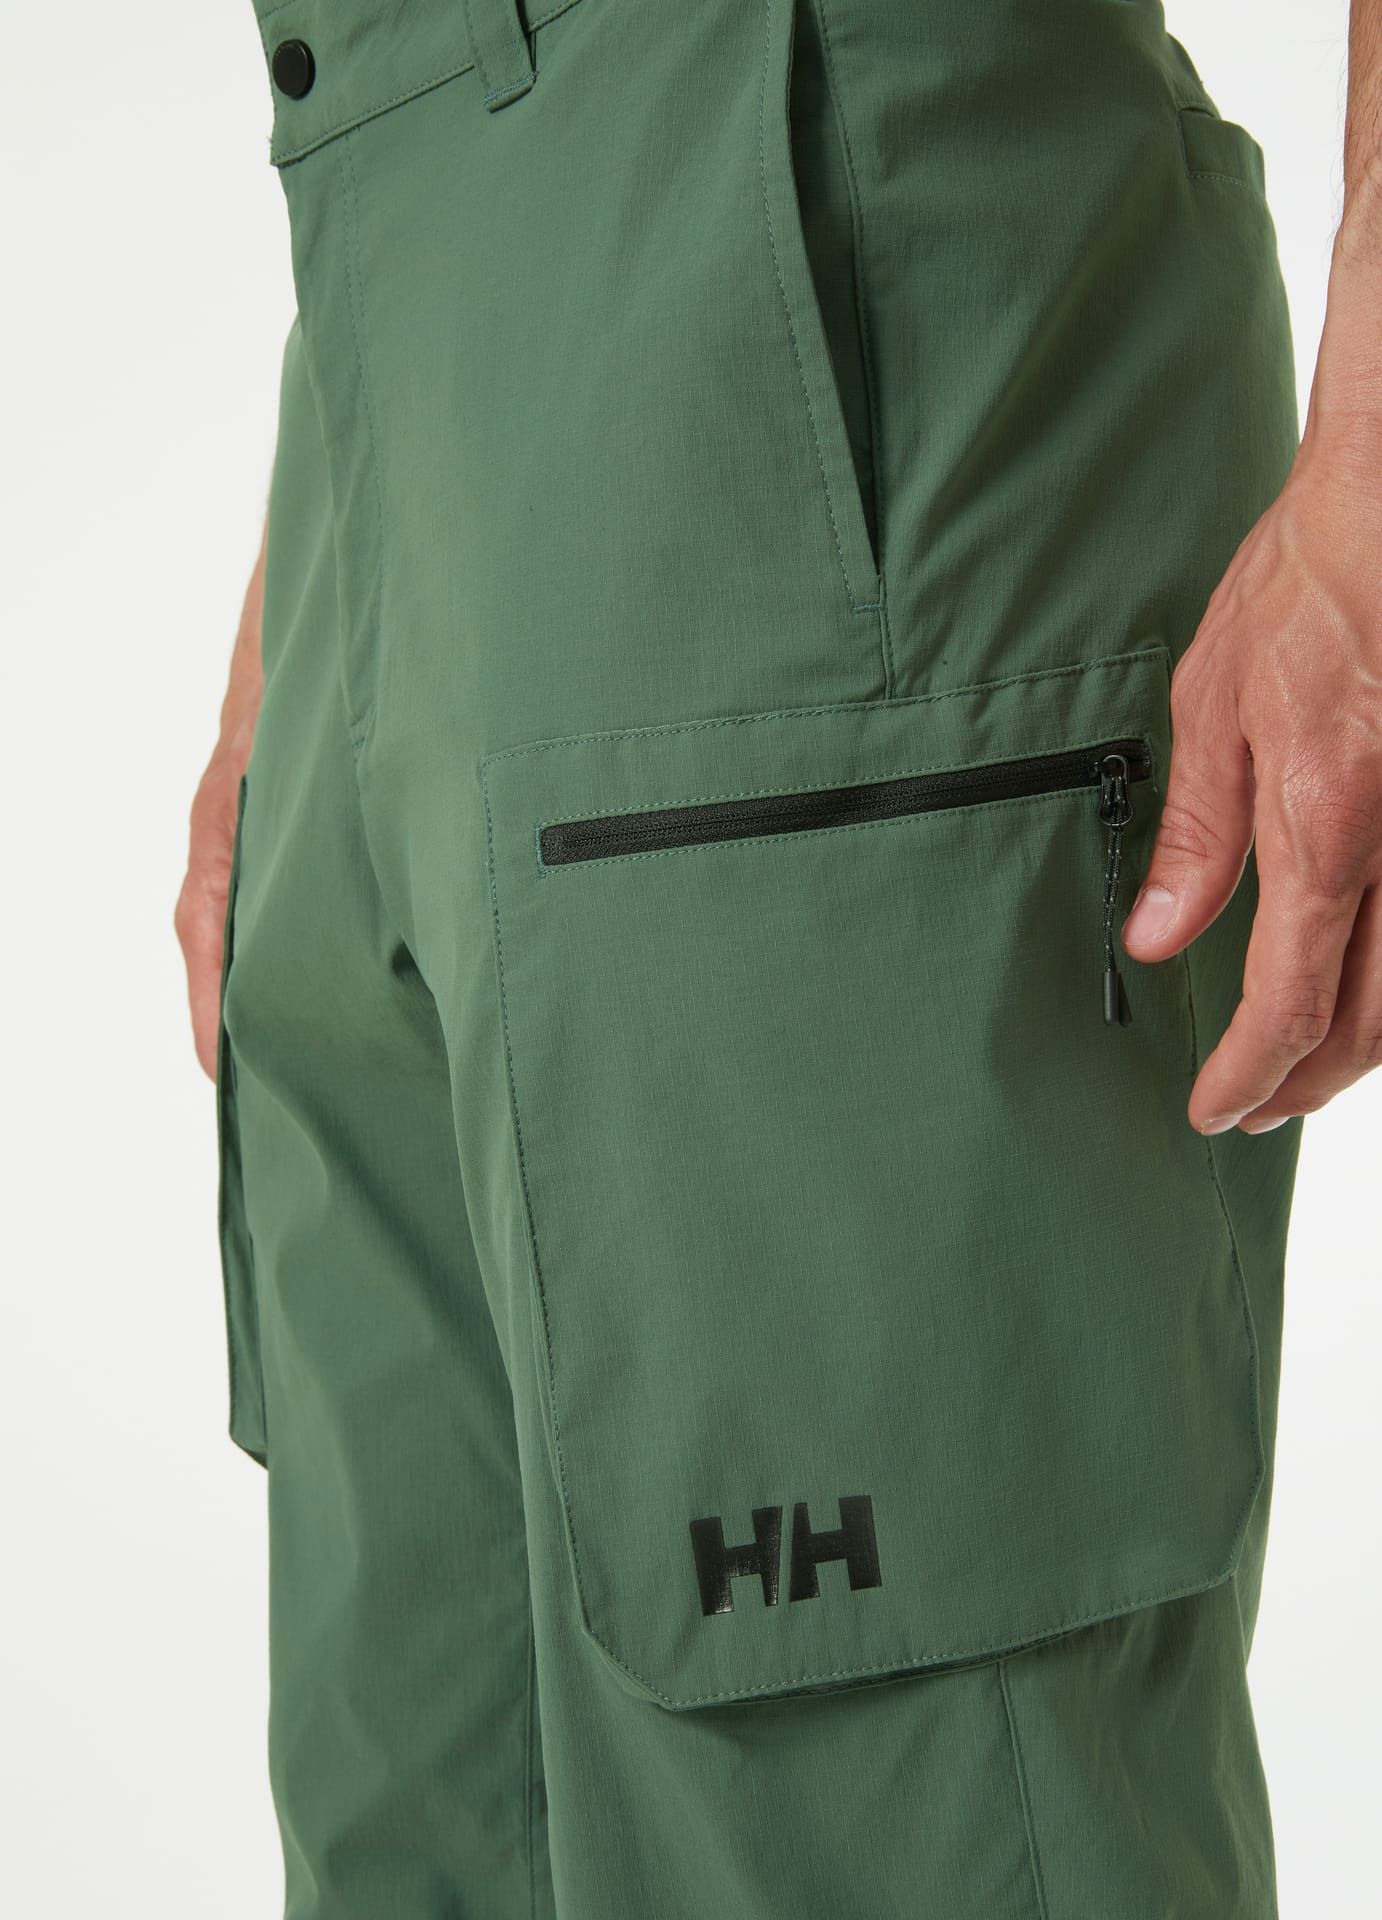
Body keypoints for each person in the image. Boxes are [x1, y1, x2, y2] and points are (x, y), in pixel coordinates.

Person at [175, 3, 1381, 1914]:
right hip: (378, 328)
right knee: (416, 1809)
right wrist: (322, 600)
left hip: (836, 245)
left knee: (888, 1810)